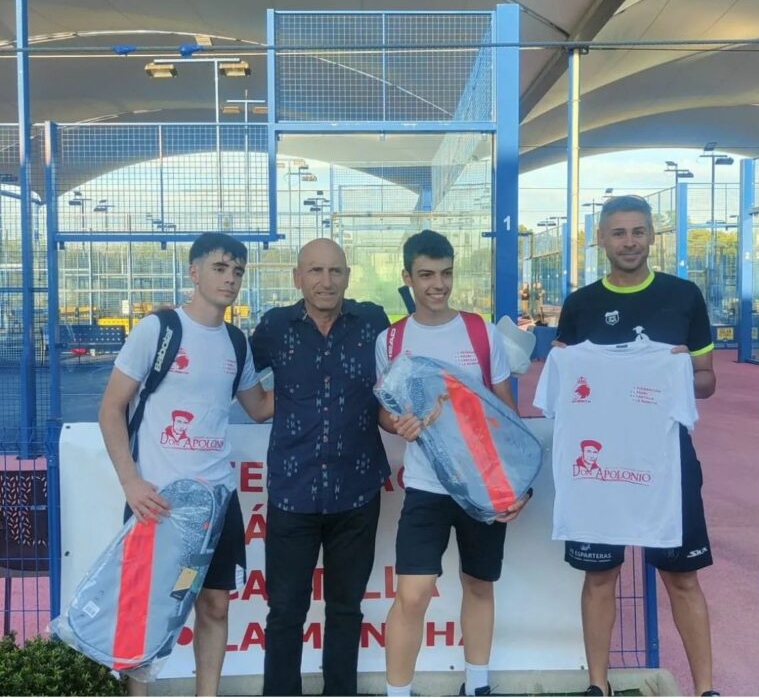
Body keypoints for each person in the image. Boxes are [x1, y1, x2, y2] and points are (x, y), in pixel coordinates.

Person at [554, 195, 719, 697]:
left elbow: (708, 381)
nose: (630, 242)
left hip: (665, 461)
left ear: (653, 236)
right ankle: (597, 686)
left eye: (639, 232)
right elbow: (564, 384)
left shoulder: (684, 296)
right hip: (599, 469)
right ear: (601, 239)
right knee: (601, 577)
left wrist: (682, 366)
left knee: (683, 578)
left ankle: (706, 690)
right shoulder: (580, 304)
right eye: (619, 233)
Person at [98, 232, 274, 697]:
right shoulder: (158, 330)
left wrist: (317, 378)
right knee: (149, 611)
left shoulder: (237, 342)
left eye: (238, 271)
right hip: (158, 501)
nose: (230, 278)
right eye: (220, 268)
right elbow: (111, 408)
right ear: (193, 272)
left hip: (218, 501)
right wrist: (131, 482)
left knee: (215, 605)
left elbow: (258, 406)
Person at [377, 230, 532, 698]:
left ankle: (478, 686)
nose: (437, 285)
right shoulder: (390, 340)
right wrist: (396, 422)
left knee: (479, 585)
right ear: (408, 278)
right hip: (425, 487)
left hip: (484, 485)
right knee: (413, 594)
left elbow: (509, 415)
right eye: (426, 275)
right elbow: (383, 409)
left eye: (445, 274)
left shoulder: (480, 333)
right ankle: (398, 693)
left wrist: (518, 487)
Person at [249, 238, 390, 697]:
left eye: (334, 271)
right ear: (297, 278)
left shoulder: (372, 321)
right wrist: (263, 406)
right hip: (293, 492)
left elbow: (398, 383)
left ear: (348, 276)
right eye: (314, 271)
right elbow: (236, 374)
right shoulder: (274, 327)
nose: (325, 281)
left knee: (346, 610)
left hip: (358, 491)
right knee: (286, 611)